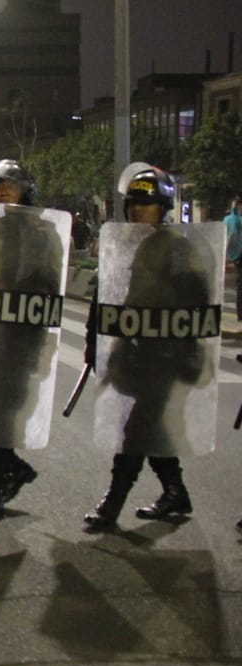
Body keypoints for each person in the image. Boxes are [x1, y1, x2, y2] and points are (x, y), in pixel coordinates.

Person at [82, 164, 217, 530]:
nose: (138, 210)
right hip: (138, 351)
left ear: (164, 207)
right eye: (133, 204)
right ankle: (175, 491)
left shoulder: (178, 248)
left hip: (167, 354)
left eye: (147, 203)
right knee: (151, 424)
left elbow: (198, 304)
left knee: (136, 426)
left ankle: (112, 503)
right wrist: (94, 340)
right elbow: (110, 299)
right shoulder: (129, 244)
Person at [0, 160, 63, 528]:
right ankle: (15, 469)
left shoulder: (44, 232)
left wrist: (19, 290)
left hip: (25, 337)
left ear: (25, 191)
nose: (3, 191)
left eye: (10, 185)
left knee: (1, 414)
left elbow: (53, 284)